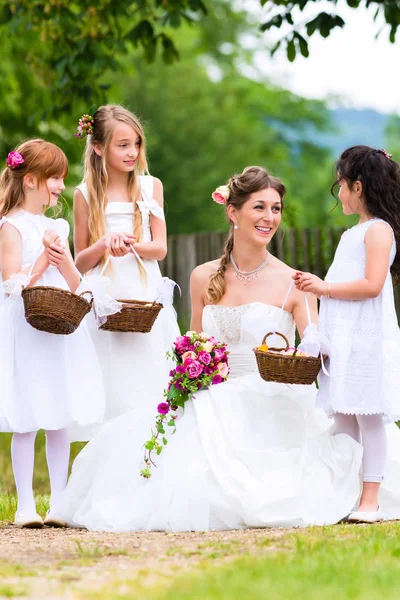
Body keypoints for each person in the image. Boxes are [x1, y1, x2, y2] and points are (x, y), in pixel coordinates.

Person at [60, 165, 381, 532]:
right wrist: (192, 369)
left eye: (276, 208)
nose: (270, 217)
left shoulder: (295, 283)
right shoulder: (202, 276)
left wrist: (315, 349)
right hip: (212, 396)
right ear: (233, 212)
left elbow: (313, 351)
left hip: (275, 401)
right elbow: (193, 343)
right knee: (141, 449)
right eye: (259, 207)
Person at [0, 139, 105, 528]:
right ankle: (26, 506)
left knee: (59, 413)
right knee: (28, 416)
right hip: (26, 329)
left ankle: (59, 503)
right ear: (30, 180)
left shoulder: (55, 226)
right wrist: (43, 257)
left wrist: (62, 263)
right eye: (55, 178)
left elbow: (77, 284)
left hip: (59, 326)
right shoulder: (10, 227)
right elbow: (12, 284)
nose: (61, 186)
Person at [294, 146, 400, 523]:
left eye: (340, 185)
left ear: (358, 186)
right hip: (344, 338)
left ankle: (370, 499)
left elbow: (372, 285)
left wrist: (323, 288)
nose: (338, 194)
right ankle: (345, 493)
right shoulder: (351, 235)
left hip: (367, 338)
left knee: (368, 415)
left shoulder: (379, 231)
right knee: (343, 414)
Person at [73, 105, 179, 423]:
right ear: (98, 147)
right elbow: (79, 261)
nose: (132, 152)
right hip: (106, 300)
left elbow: (159, 248)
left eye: (136, 143)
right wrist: (104, 244)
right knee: (112, 382)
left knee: (147, 378)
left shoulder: (151, 187)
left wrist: (131, 248)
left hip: (143, 296)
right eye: (123, 145)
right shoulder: (85, 194)